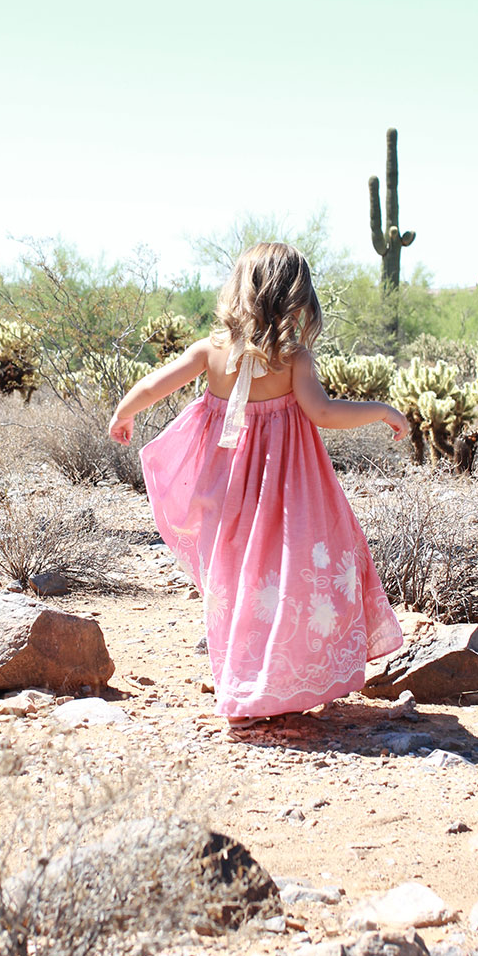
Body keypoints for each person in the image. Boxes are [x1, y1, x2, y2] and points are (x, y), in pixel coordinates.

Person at [108, 242, 408, 726]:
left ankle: (241, 681)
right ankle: (286, 677)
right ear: (297, 296)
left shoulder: (211, 352)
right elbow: (325, 414)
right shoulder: (294, 360)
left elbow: (154, 384)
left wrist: (125, 413)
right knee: (289, 574)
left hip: (226, 490)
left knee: (237, 579)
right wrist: (381, 410)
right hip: (289, 492)